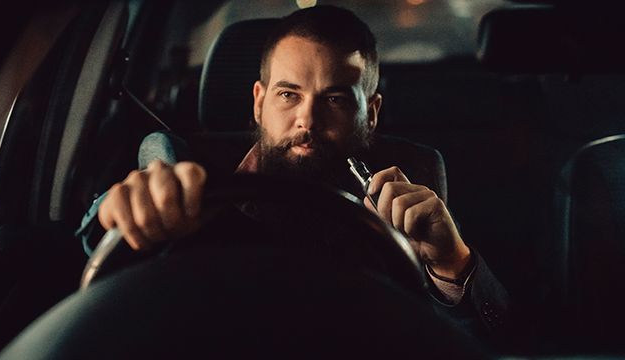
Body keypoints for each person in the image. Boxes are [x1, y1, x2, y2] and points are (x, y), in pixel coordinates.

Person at [80, 4, 508, 350]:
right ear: (259, 101)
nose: (307, 118)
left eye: (336, 99)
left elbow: (484, 344)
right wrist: (118, 213)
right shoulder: (187, 169)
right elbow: (107, 249)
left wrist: (453, 262)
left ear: (371, 113)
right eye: (289, 94)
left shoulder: (411, 184)